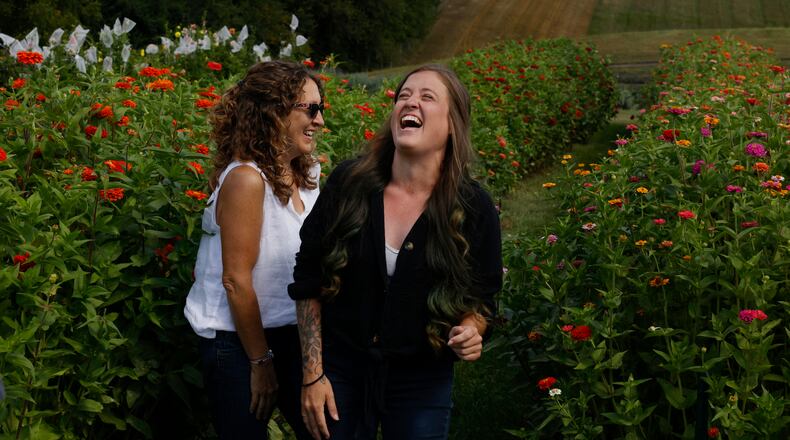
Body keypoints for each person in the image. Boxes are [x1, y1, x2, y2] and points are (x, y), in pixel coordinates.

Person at [289, 64, 503, 440]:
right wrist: (313, 375)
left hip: (422, 376)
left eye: (427, 97)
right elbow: (309, 278)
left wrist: (471, 329)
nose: (411, 102)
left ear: (453, 123)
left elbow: (483, 297)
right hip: (340, 369)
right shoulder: (350, 184)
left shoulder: (474, 208)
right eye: (404, 95)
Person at [184, 60, 324, 439]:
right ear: (273, 112)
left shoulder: (307, 176)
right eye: (310, 109)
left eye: (321, 107)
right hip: (237, 342)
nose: (320, 120)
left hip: (290, 330)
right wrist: (261, 362)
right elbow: (236, 281)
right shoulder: (246, 179)